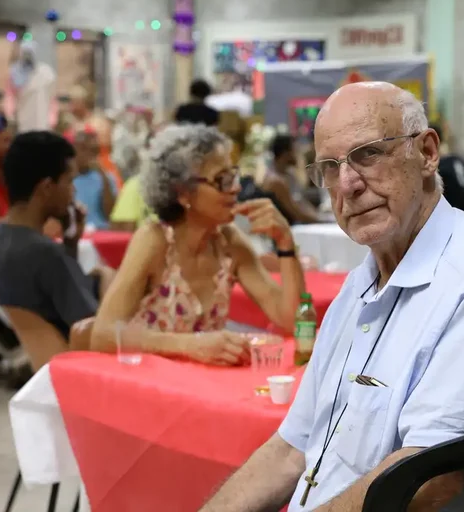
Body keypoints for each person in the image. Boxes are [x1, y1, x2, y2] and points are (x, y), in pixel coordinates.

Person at [202, 82, 464, 511]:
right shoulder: (358, 287)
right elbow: (291, 449)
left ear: (427, 153)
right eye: (330, 168)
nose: (348, 184)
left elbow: (429, 477)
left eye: (369, 153)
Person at [90, 125, 306, 365]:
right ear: (183, 193)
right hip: (149, 385)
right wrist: (190, 345)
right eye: (222, 180)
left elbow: (293, 322)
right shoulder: (155, 239)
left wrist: (286, 244)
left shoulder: (229, 243)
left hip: (202, 385)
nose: (235, 188)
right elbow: (102, 335)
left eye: (233, 176)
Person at [0, 131, 114, 342]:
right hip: (63, 362)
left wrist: (70, 245)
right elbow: (92, 329)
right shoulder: (46, 254)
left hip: (19, 355)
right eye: (69, 181)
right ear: (47, 188)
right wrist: (108, 282)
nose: (73, 191)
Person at [260, 134, 323, 224]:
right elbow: (297, 214)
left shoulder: (289, 175)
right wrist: (322, 221)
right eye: (295, 150)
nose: (298, 154)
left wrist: (319, 216)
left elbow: (301, 201)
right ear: (286, 153)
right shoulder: (275, 181)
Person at [70, 129, 117, 229]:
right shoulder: (66, 179)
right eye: (83, 149)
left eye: (94, 151)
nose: (89, 154)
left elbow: (110, 214)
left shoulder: (107, 178)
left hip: (100, 231)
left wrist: (103, 176)